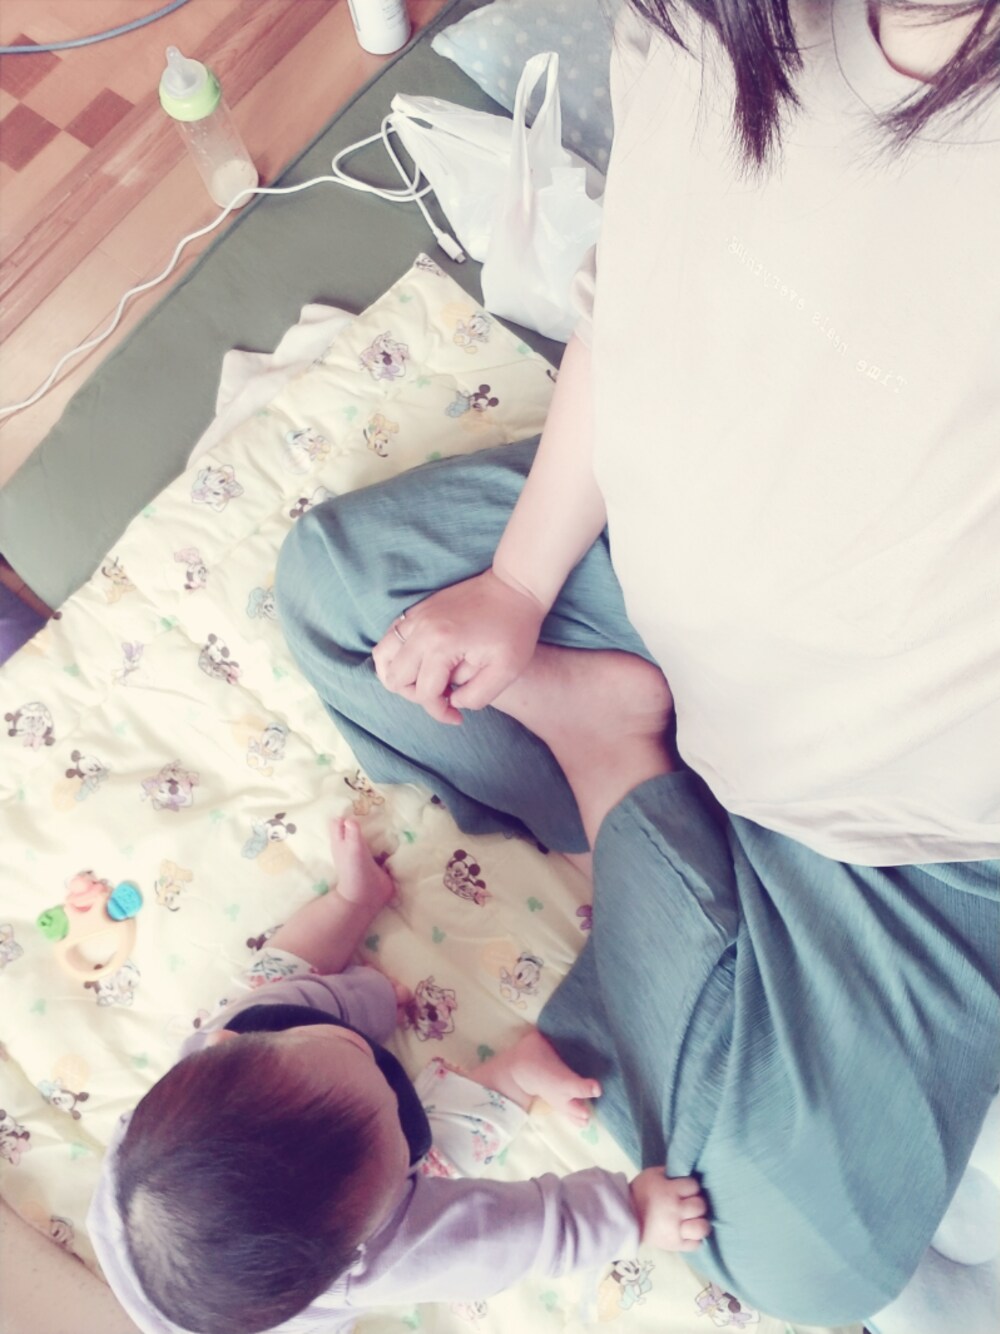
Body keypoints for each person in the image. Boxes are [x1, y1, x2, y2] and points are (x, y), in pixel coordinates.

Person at [274, 0, 1000, 1324]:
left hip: (898, 810)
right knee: (342, 601)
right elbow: (631, 304)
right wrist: (516, 583)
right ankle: (667, 848)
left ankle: (618, 766)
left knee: (805, 1261)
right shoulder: (709, 21)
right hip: (662, 594)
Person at [87, 817, 711, 1334]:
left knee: (273, 982)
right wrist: (628, 1213)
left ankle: (353, 901)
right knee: (438, 1156)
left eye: (355, 1053)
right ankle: (514, 1076)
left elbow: (309, 1002)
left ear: (229, 1047)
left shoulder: (238, 1035)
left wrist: (372, 998)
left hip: (172, 1160)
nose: (396, 1088)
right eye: (396, 1121)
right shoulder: (374, 1261)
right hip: (268, 1283)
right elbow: (507, 1237)